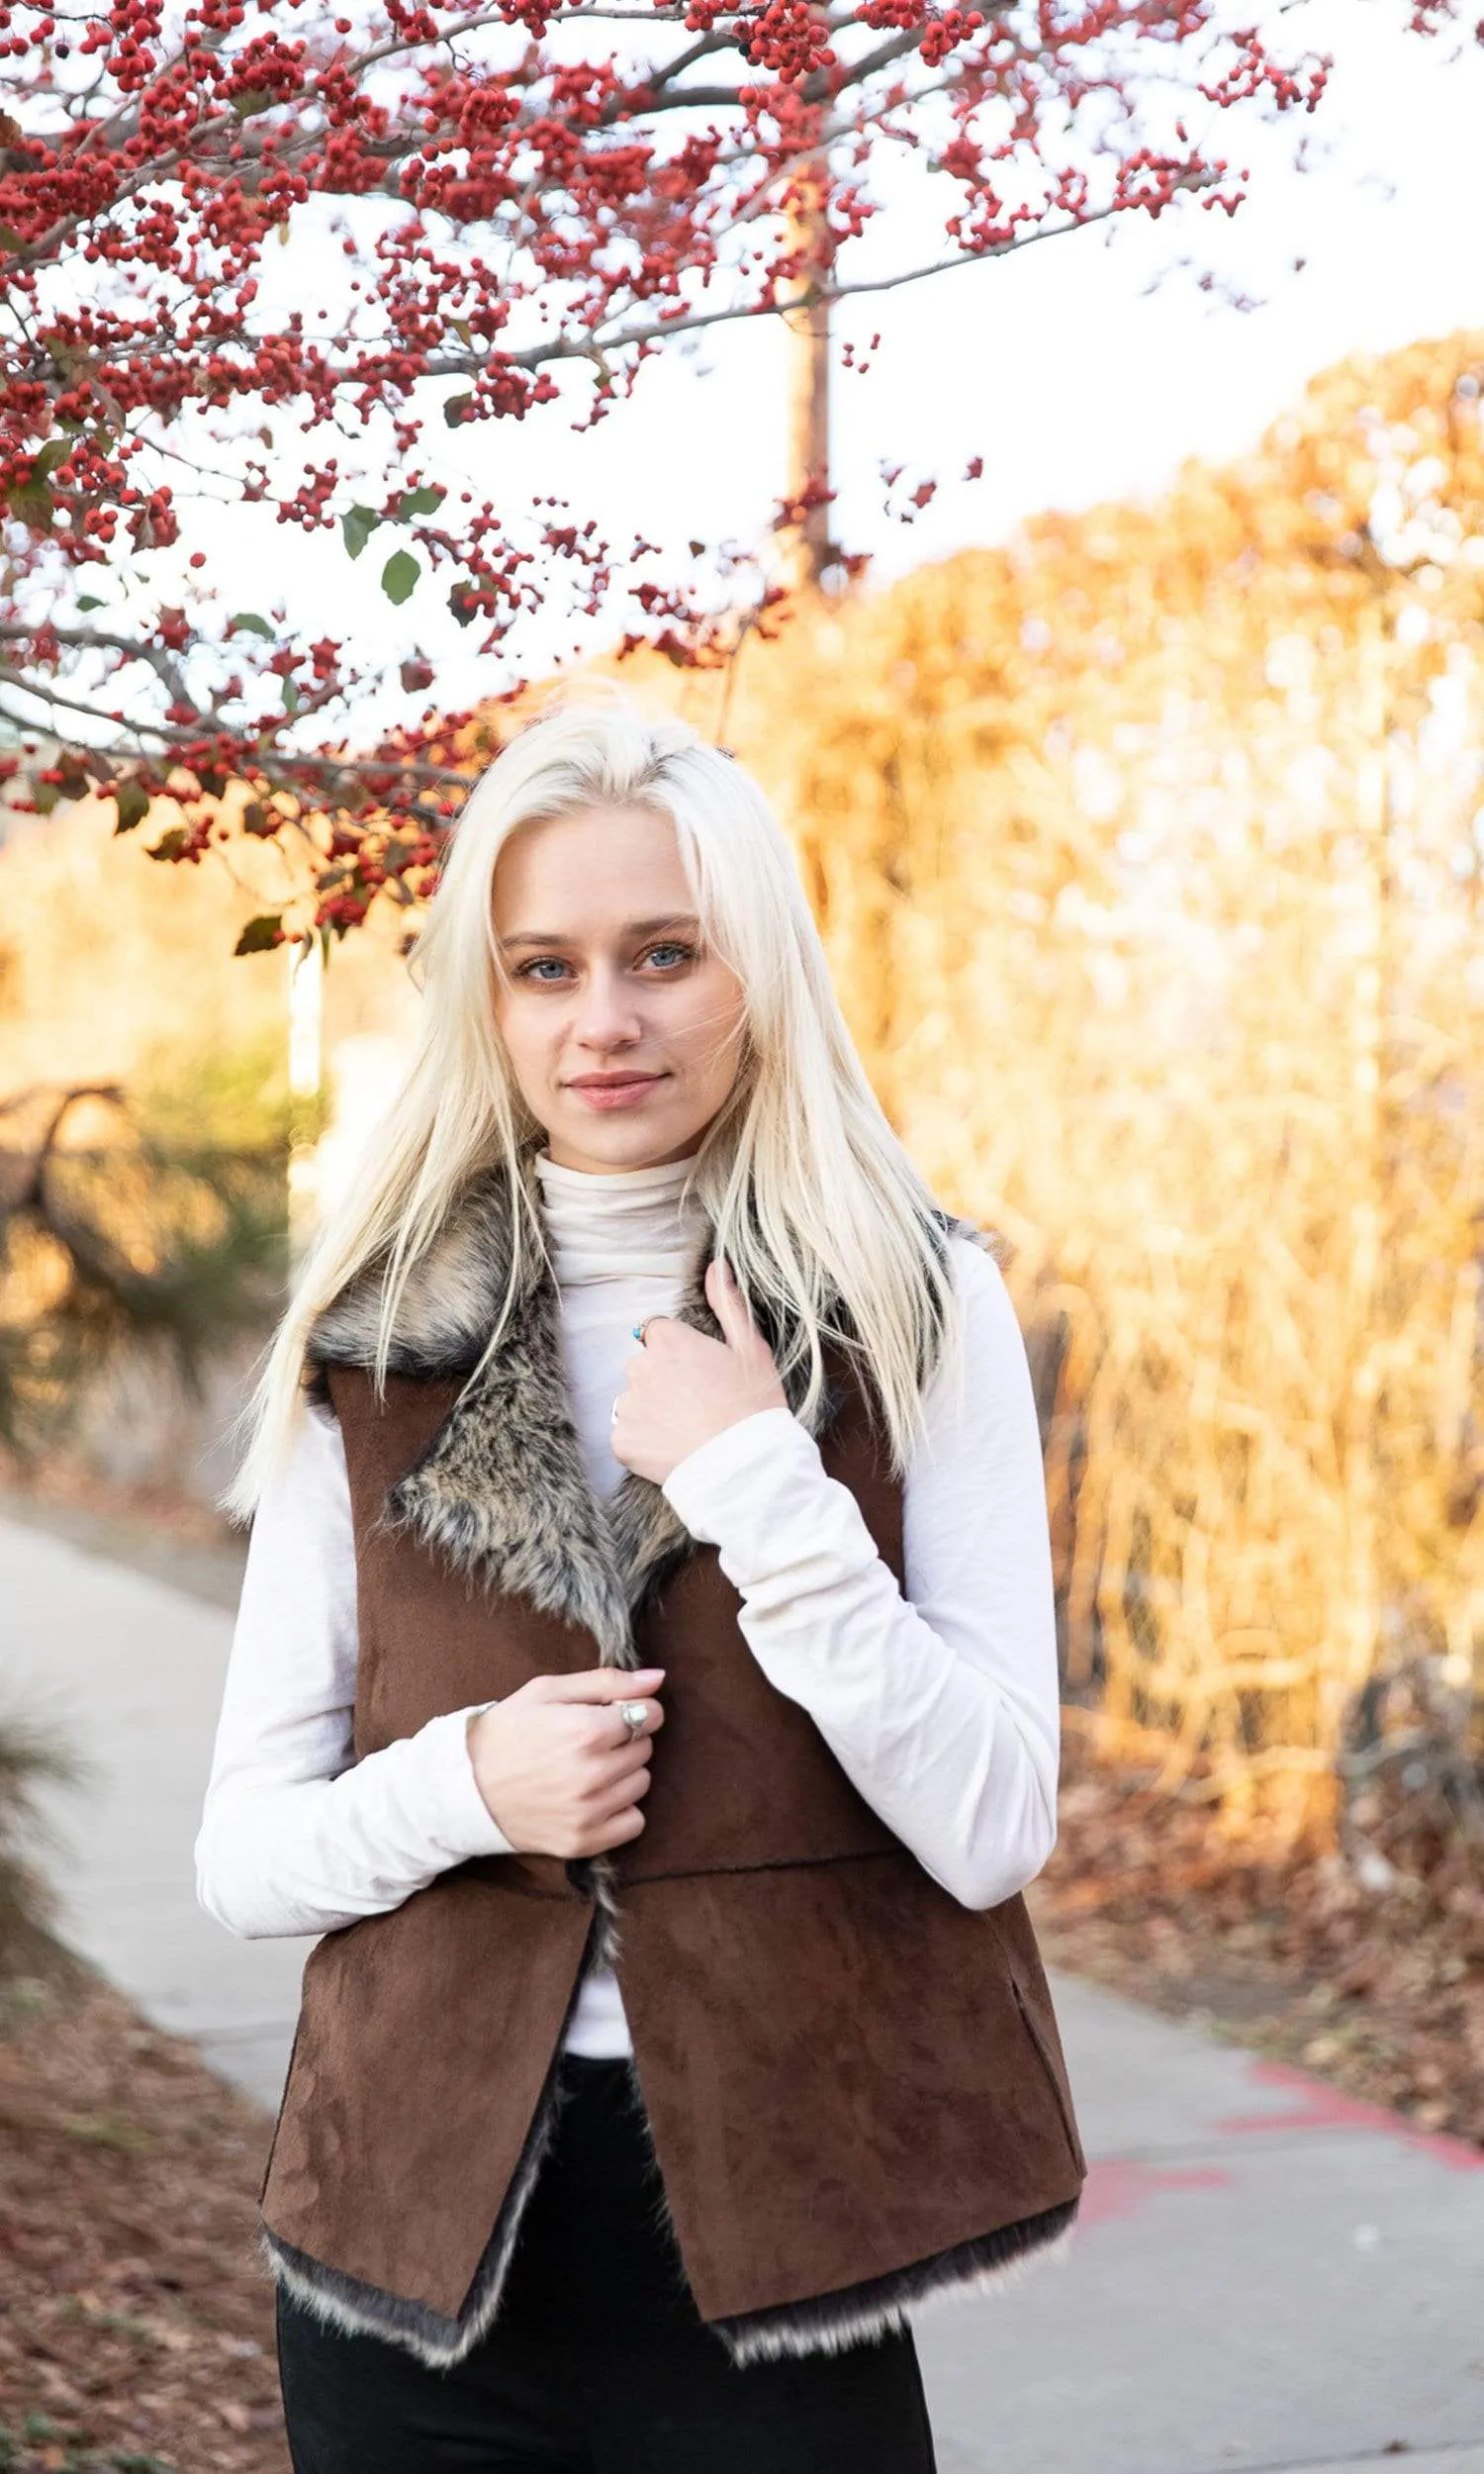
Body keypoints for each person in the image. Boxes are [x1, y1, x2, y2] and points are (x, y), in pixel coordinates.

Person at [195, 685, 1085, 2474]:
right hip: (411, 2243)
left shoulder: (916, 1308)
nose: (603, 1020)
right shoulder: (375, 1335)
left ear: (754, 968)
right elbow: (240, 1857)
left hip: (786, 2238)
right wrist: (469, 1784)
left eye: (663, 952)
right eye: (545, 967)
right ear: (489, 996)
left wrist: (766, 1483)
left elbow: (994, 1822)